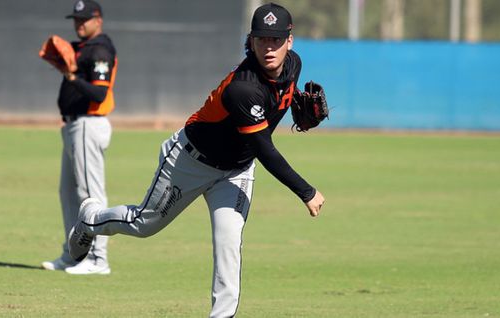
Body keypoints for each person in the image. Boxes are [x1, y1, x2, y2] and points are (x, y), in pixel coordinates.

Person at [69, 2, 324, 315]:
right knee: (143, 224)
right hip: (189, 162)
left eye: (275, 40)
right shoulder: (242, 88)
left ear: (289, 40)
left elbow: (282, 91)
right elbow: (264, 148)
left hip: (236, 171)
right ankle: (91, 218)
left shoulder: (293, 64)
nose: (269, 48)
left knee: (229, 244)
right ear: (252, 41)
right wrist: (306, 191)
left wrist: (295, 100)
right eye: (261, 40)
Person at [41, 0, 118, 275]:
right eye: (75, 19)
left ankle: (98, 259)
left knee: (90, 195)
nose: (78, 23)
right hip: (73, 127)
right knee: (69, 194)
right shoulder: (82, 48)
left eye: (84, 19)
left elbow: (99, 93)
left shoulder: (100, 49)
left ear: (98, 19)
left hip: (89, 125)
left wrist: (71, 76)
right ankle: (74, 254)